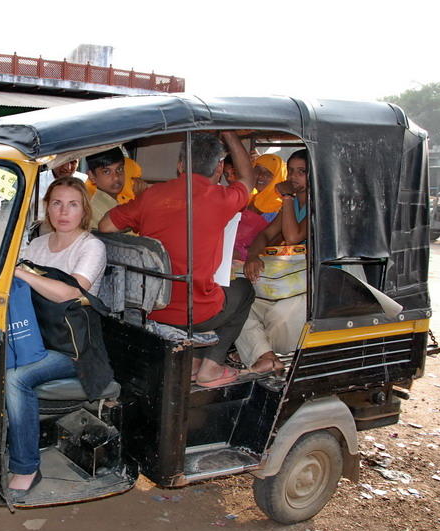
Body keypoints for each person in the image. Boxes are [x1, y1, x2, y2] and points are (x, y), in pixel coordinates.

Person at [99, 132, 255, 388]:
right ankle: (211, 366)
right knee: (243, 290)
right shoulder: (222, 198)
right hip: (196, 315)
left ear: (180, 165)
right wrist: (229, 134)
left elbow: (105, 225)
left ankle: (193, 364)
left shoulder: (151, 195)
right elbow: (248, 178)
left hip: (150, 309)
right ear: (218, 168)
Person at [6, 176, 107, 496]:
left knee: (17, 378)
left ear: (84, 210)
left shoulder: (91, 246)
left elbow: (69, 292)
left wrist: (19, 270)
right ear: (47, 208)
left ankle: (26, 466)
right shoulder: (36, 244)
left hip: (74, 349)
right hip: (34, 335)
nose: (64, 211)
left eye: (72, 204)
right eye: (57, 203)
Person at [235, 149, 310, 374]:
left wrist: (286, 197)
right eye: (292, 172)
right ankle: (265, 357)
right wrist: (253, 256)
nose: (294, 178)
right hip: (288, 281)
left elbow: (293, 236)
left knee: (279, 316)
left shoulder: (319, 205)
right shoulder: (293, 204)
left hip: (315, 281)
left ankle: (258, 350)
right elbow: (265, 235)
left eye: (302, 172)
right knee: (238, 305)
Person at [233, 153, 287, 260]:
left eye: (268, 173)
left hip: (257, 262)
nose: (261, 175)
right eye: (257, 169)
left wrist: (242, 254)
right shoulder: (248, 197)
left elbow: (271, 245)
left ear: (277, 177)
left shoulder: (280, 207)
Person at [85, 148, 149, 227]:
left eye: (120, 169)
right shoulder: (95, 211)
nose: (116, 177)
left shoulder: (119, 202)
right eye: (106, 171)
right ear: (92, 176)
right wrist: (140, 201)